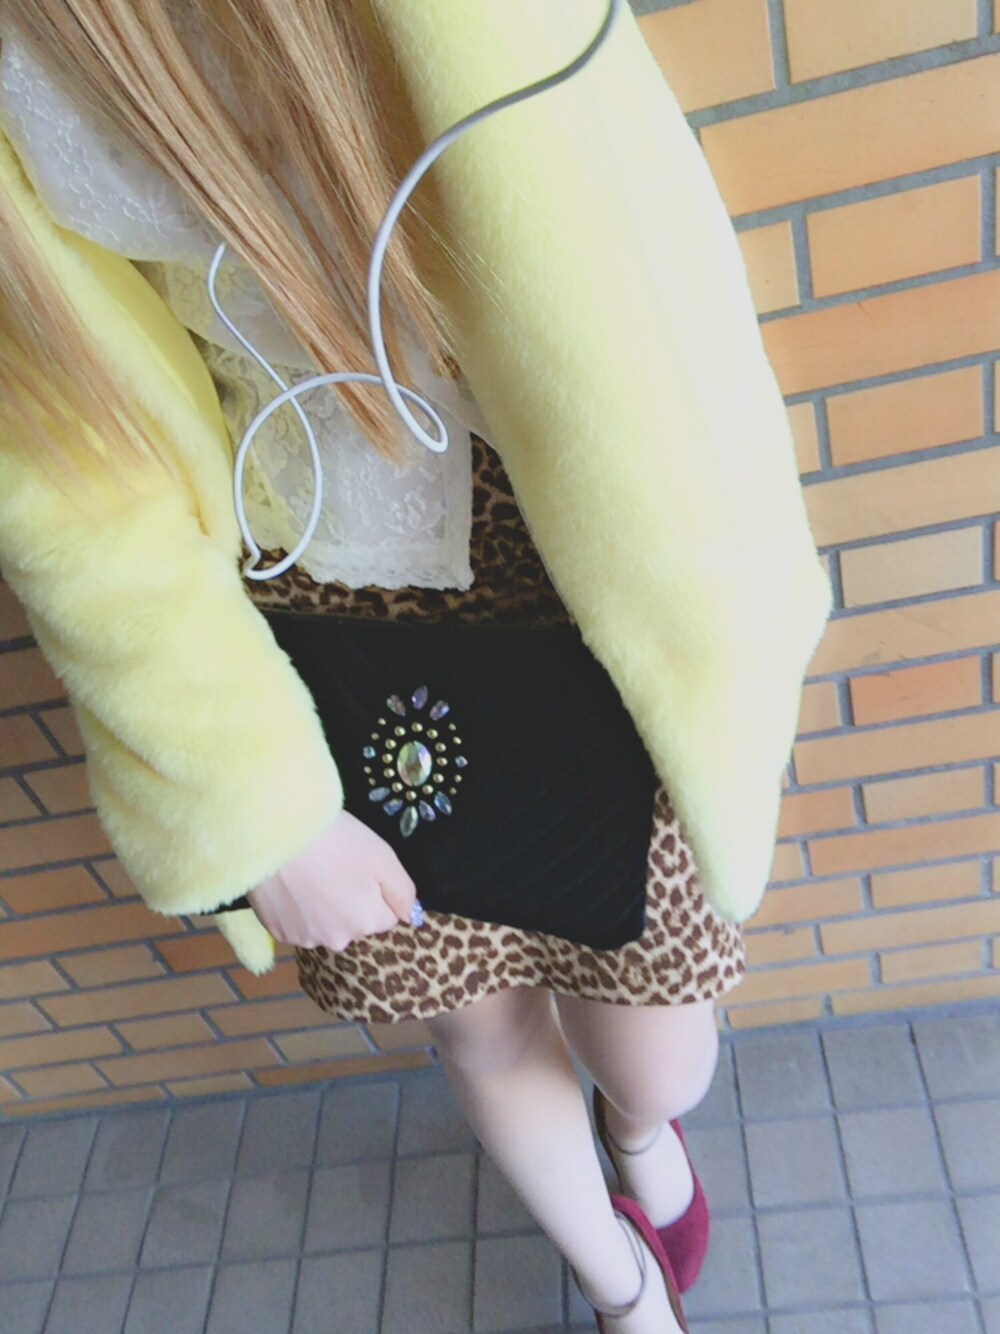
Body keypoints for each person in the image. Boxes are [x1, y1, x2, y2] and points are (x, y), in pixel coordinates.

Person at [0, 3, 832, 1330]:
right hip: (302, 599)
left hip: (576, 546)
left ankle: (633, 1134)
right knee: (477, 1023)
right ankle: (623, 1292)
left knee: (659, 1049)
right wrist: (248, 799)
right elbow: (59, 466)